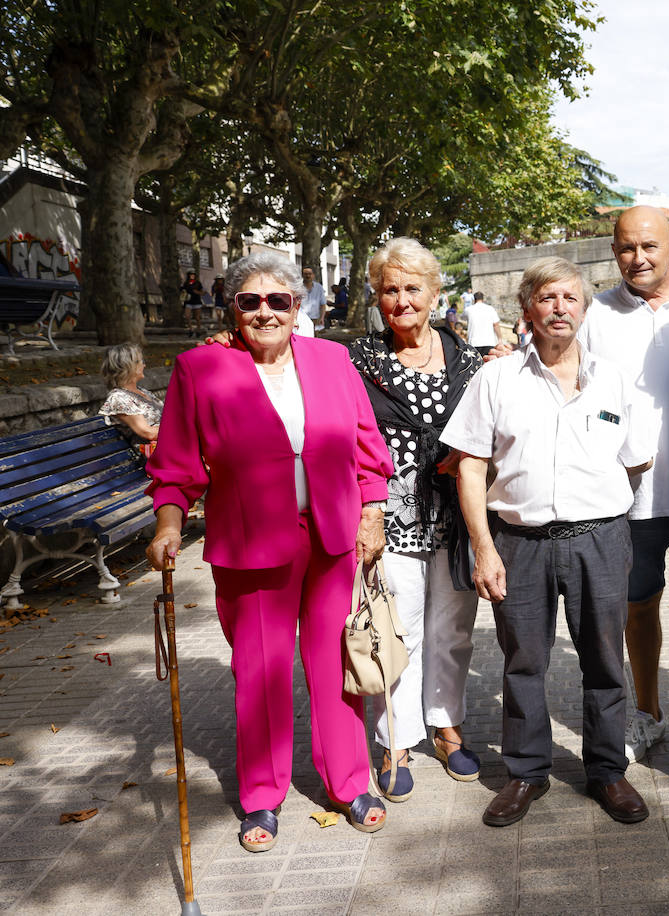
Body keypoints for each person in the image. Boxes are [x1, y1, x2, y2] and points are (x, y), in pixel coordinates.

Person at [144, 250, 393, 852]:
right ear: (232, 307)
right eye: (249, 300)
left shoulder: (332, 358)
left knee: (334, 666)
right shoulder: (199, 369)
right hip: (252, 541)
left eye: (278, 300)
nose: (264, 312)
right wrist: (167, 524)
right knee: (260, 670)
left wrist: (372, 511)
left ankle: (349, 781)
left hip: (332, 535)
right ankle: (261, 796)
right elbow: (176, 465)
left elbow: (366, 442)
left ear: (298, 305)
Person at [443, 256, 654, 828]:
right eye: (547, 298)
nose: (560, 309)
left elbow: (637, 460)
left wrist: (595, 505)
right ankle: (526, 773)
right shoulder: (496, 378)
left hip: (600, 540)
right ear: (526, 309)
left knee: (606, 660)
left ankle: (608, 772)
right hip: (519, 541)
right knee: (524, 661)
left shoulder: (613, 379)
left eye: (571, 298)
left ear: (584, 310)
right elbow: (469, 467)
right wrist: (484, 547)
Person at [580, 205, 669, 762]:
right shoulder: (595, 313)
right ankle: (648, 713)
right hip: (628, 496)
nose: (637, 258)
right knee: (638, 608)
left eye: (648, 247)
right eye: (624, 248)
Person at [347, 238, 486, 801]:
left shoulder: (470, 361)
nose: (401, 300)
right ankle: (396, 740)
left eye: (412, 288)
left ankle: (446, 728)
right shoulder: (358, 358)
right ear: (378, 298)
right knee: (396, 629)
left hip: (454, 520)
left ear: (434, 294)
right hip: (389, 516)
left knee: (451, 633)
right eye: (390, 290)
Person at [98, 343, 162, 455]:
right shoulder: (118, 398)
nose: (144, 365)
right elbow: (148, 433)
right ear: (130, 366)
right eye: (141, 361)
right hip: (152, 457)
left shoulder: (143, 392)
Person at [462, 291, 501, 355]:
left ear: (474, 299)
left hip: (474, 342)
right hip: (489, 342)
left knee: (476, 364)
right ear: (483, 299)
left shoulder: (468, 309)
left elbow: (462, 318)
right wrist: (500, 339)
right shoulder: (490, 309)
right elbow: (496, 325)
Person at [301, 267, 328, 332]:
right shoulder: (298, 287)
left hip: (315, 319)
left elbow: (323, 304)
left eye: (310, 274)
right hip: (301, 319)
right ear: (302, 275)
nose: (308, 276)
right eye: (305, 274)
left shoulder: (319, 287)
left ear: (313, 275)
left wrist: (322, 317)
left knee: (315, 339)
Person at [181, 270, 204, 335]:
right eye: (191, 274)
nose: (192, 275)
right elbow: (183, 291)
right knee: (187, 316)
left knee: (197, 317)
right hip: (188, 302)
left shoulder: (198, 283)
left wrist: (197, 292)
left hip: (197, 302)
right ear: (188, 275)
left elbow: (202, 292)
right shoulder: (186, 283)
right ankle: (191, 329)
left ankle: (198, 330)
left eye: (193, 274)